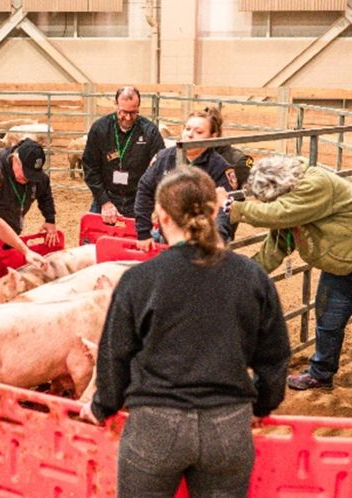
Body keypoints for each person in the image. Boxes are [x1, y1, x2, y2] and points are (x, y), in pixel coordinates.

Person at [80, 167, 291, 498]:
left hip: (155, 426)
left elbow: (115, 353)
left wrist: (102, 405)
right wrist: (262, 404)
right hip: (228, 426)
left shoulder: (140, 280)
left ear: (160, 217)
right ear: (214, 210)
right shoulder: (251, 276)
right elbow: (275, 356)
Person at [223, 155, 352, 390]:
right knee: (327, 319)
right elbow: (276, 247)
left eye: (268, 201)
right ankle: (321, 373)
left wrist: (235, 209)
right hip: (345, 258)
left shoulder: (314, 185)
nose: (267, 206)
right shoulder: (291, 204)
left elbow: (279, 214)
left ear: (280, 188)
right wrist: (242, 275)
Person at [134, 109, 237, 250]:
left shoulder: (219, 168)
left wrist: (215, 241)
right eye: (187, 129)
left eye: (199, 132)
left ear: (213, 137)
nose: (190, 134)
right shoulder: (164, 158)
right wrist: (144, 232)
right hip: (167, 238)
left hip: (203, 243)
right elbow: (145, 189)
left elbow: (224, 210)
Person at [82, 86, 165, 223]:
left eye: (133, 112)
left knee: (136, 240)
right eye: (123, 112)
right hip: (106, 195)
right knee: (93, 239)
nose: (127, 117)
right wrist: (104, 202)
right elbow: (90, 167)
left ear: (138, 107)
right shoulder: (100, 129)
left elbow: (160, 168)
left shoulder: (150, 132)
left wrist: (156, 202)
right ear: (115, 105)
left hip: (138, 199)